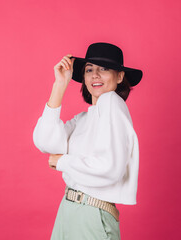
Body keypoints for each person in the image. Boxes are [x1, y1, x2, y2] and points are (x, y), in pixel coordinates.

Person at [33, 42, 143, 239]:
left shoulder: (111, 103)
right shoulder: (83, 120)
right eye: (89, 69)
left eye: (104, 69)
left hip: (92, 213)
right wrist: (60, 85)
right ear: (83, 77)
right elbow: (46, 143)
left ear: (119, 76)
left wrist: (63, 162)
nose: (95, 75)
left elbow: (110, 168)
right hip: (68, 209)